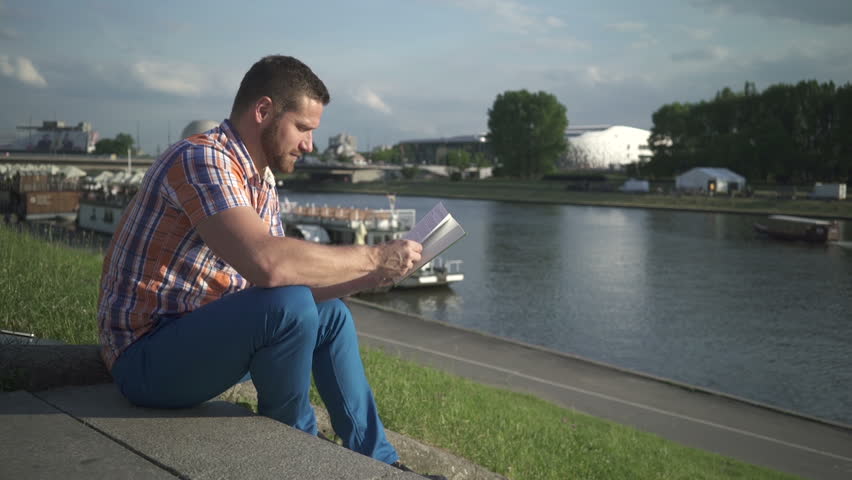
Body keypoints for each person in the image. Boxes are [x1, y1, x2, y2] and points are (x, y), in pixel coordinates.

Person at [97, 55, 446, 480]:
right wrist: (374, 253)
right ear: (263, 111)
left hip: (198, 341)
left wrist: (375, 276)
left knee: (331, 315)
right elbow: (268, 266)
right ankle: (296, 450)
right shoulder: (201, 158)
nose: (309, 145)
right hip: (145, 360)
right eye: (303, 128)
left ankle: (381, 462)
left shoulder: (260, 181)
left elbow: (288, 292)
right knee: (291, 301)